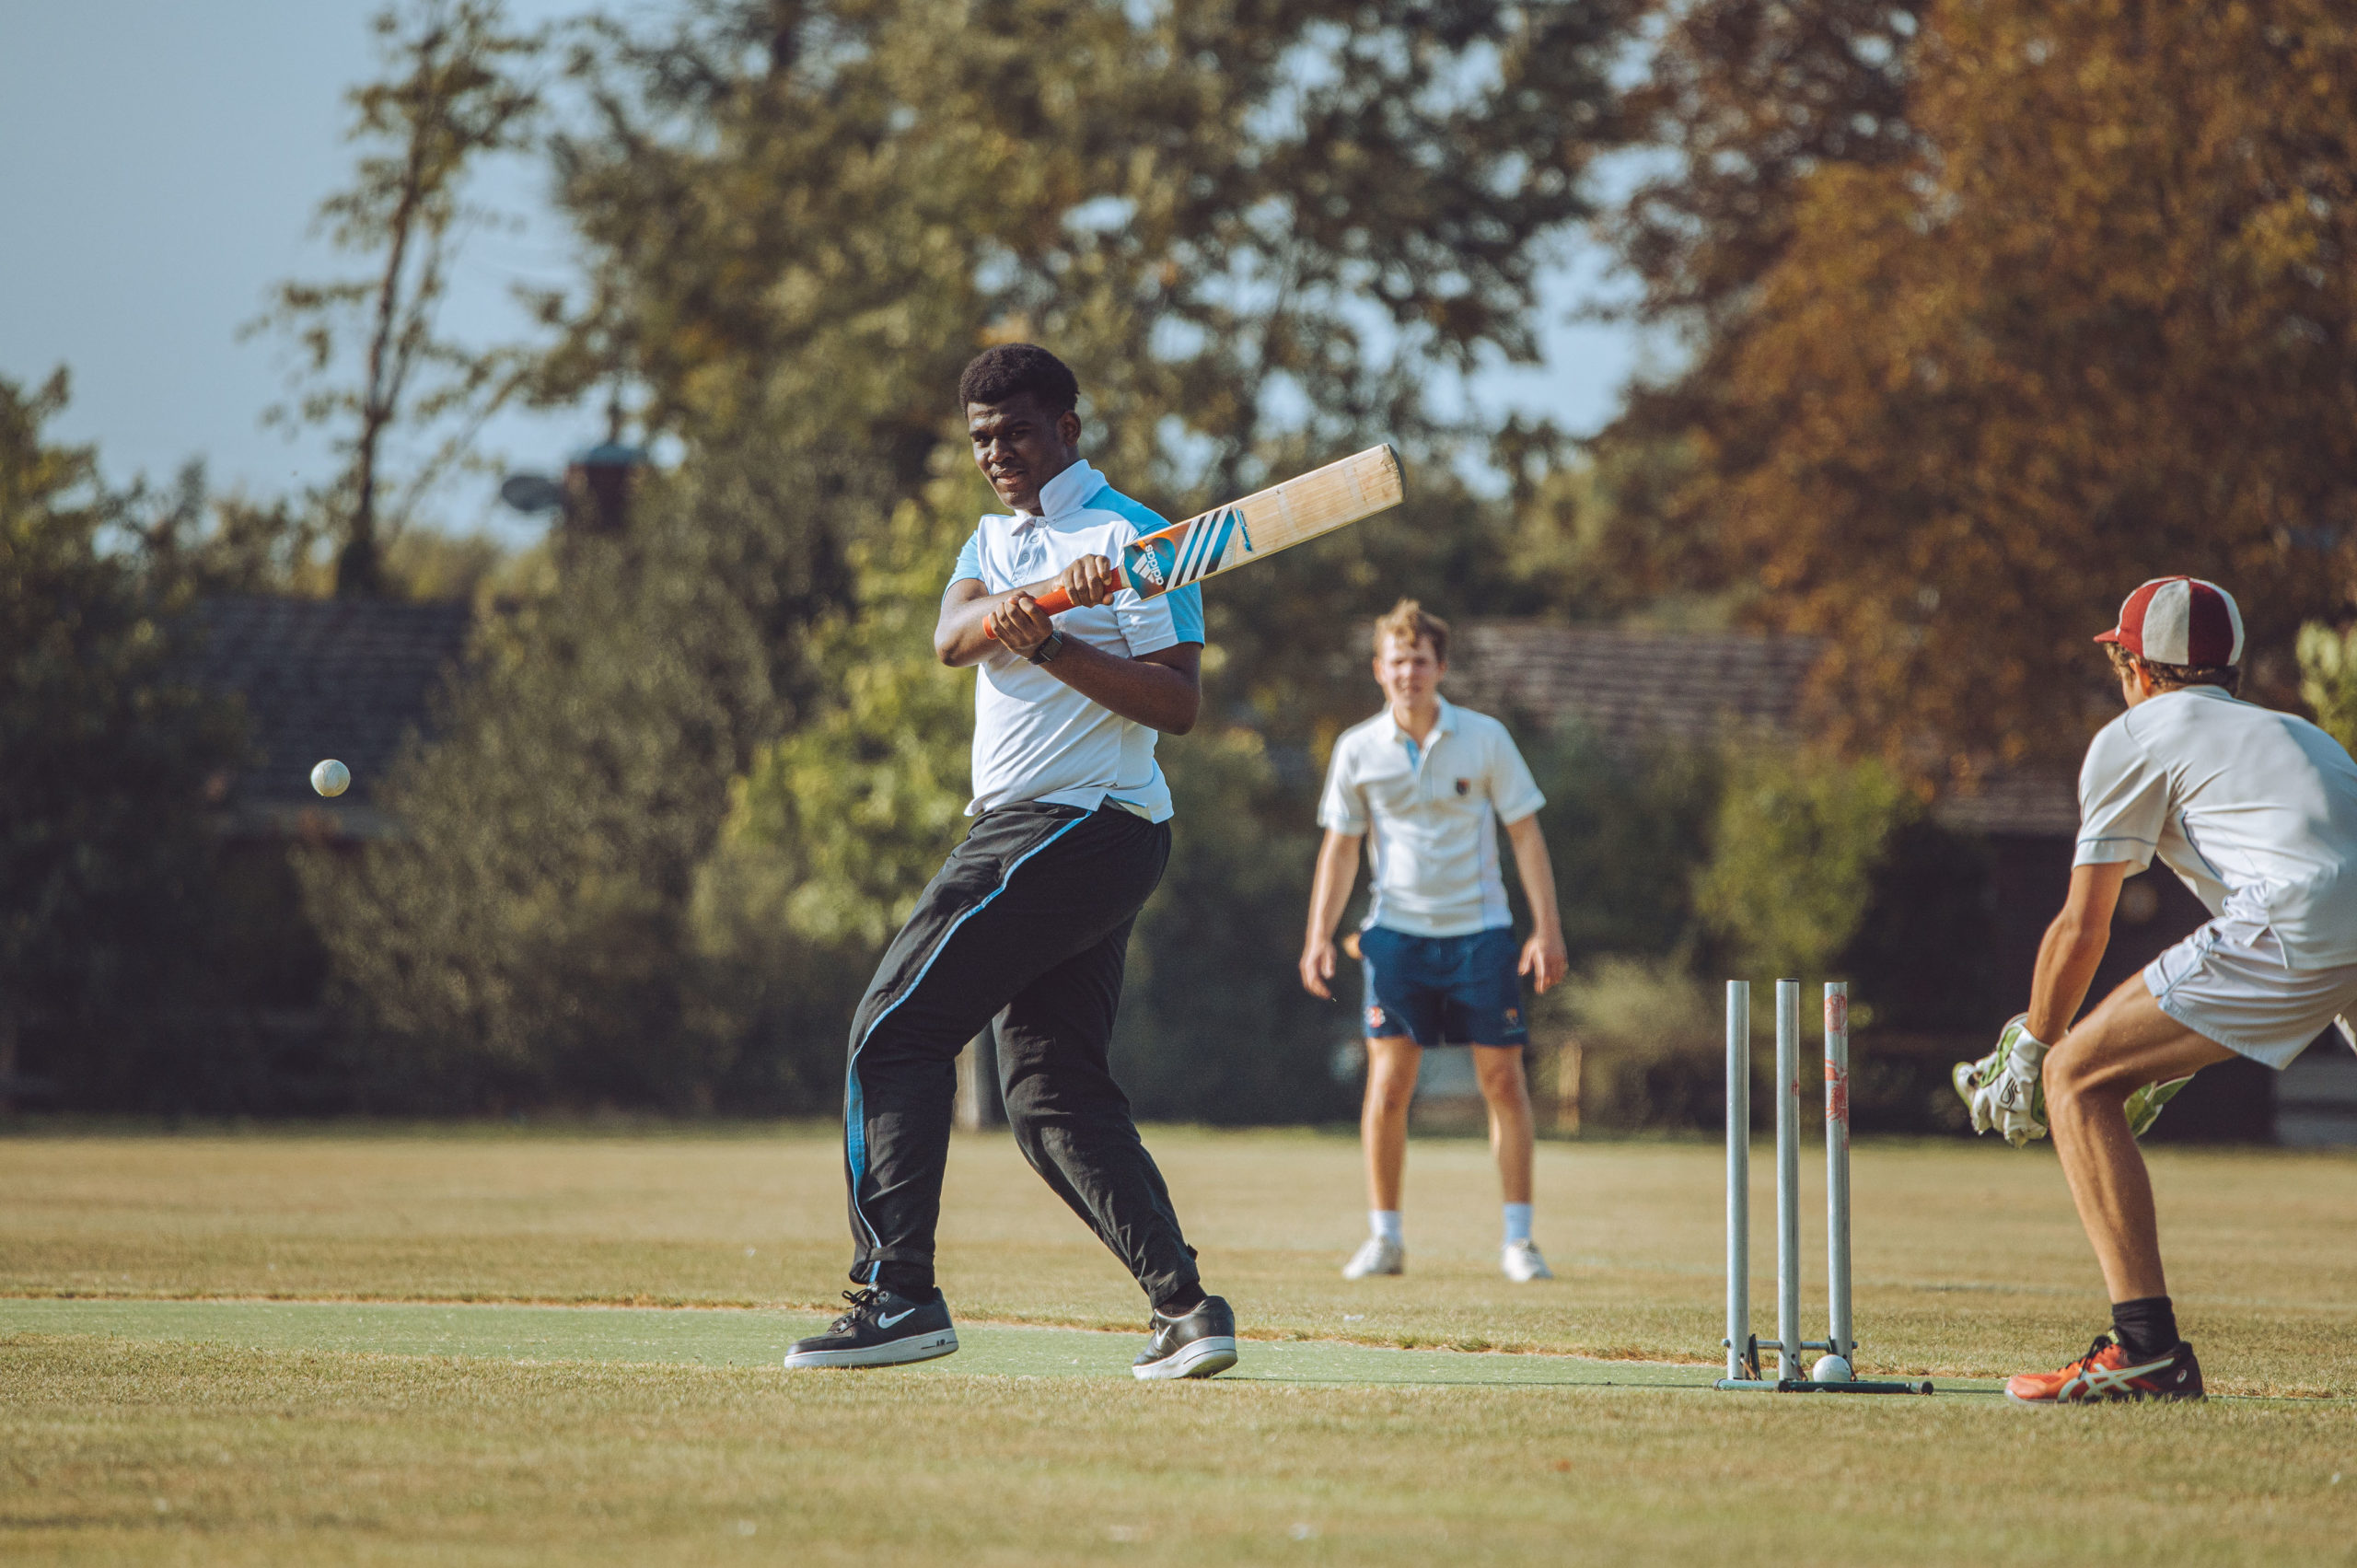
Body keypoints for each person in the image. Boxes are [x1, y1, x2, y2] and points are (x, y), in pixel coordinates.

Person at [785, 343, 1236, 1380]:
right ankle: (1185, 1308)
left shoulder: (1132, 538)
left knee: (892, 1030)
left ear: (1068, 428)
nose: (997, 453)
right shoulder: (991, 541)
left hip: (1077, 820)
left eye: (1018, 432)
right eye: (982, 438)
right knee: (1049, 1095)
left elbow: (1178, 702)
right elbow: (950, 637)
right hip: (1053, 830)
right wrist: (1037, 603)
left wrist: (1055, 643)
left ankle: (898, 1293)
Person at [1955, 576, 2357, 1404]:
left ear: (2135, 668)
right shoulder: (2306, 736)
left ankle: (2145, 1351)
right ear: (2231, 670)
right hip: (2330, 918)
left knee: (2077, 1079)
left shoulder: (2136, 732)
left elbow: (2083, 926)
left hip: (2296, 917)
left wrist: (2034, 1045)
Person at [1299, 599, 1571, 1282]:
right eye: (1398, 660)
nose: (1409, 673)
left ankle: (1519, 1241)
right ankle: (1385, 1238)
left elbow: (1525, 835)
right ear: (1379, 669)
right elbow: (1340, 848)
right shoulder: (1357, 748)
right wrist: (1319, 935)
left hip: (1481, 933)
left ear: (1440, 667)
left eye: (1420, 660)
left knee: (1502, 1081)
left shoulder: (1485, 738)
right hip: (1396, 936)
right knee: (1389, 1085)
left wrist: (1547, 928)